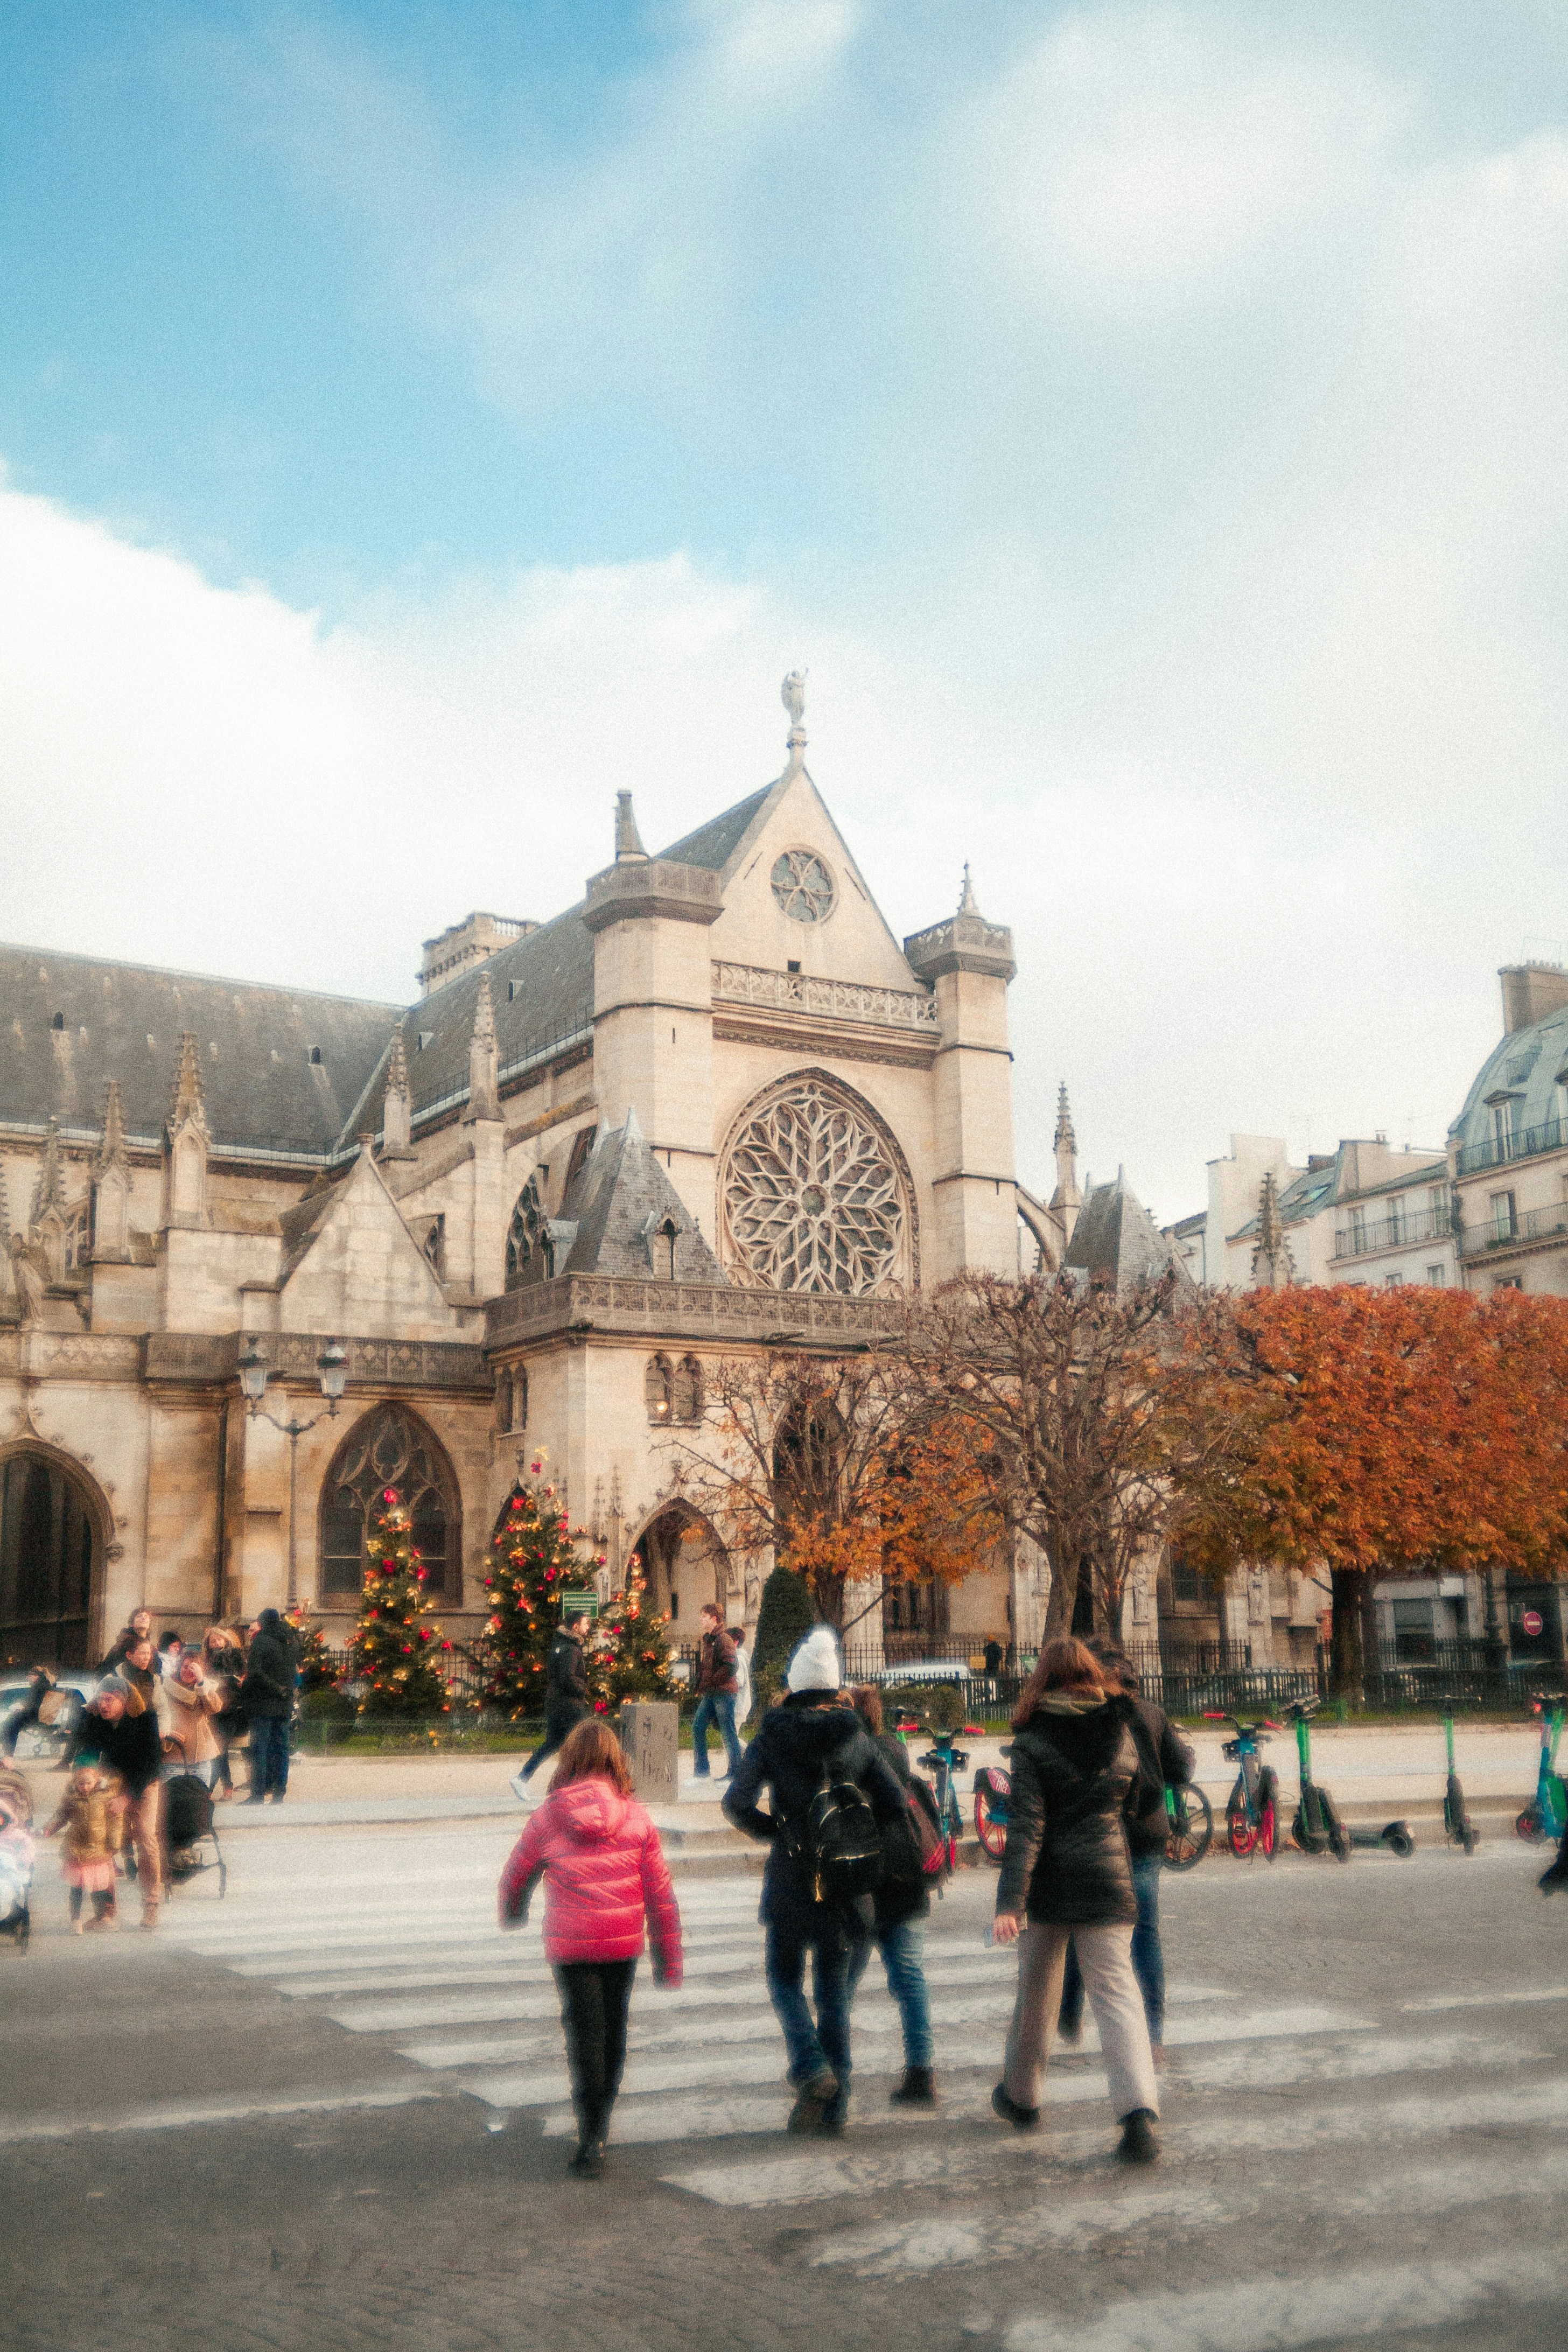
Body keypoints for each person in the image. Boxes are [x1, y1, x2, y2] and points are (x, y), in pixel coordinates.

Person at [724, 1625, 906, 2136]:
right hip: (846, 1882)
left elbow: (736, 1803)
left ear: (795, 1684)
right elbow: (894, 1805)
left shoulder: (772, 1737)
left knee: (783, 1981)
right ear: (835, 1686)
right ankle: (836, 2108)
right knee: (833, 1996)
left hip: (791, 1878)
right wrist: (858, 1835)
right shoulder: (858, 1738)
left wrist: (776, 1831)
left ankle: (811, 2065)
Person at [991, 1637, 1160, 2165]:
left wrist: (1009, 1903)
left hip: (1048, 1884)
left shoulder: (1032, 1739)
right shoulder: (1121, 1725)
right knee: (1117, 1998)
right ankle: (1137, 2117)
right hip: (1110, 1877)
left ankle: (1021, 2098)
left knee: (1036, 1994)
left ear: (1041, 1679)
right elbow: (1143, 1798)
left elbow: (1026, 1828)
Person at [499, 1719, 683, 2178]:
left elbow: (518, 1872)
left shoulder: (548, 1816)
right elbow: (661, 1895)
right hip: (622, 1943)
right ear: (615, 1761)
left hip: (572, 1944)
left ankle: (590, 2137)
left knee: (584, 2036)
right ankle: (601, 2125)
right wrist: (668, 1959)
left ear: (570, 1760)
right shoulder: (636, 1816)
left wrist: (514, 1910)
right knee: (614, 2030)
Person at [1058, 1641, 1193, 2064]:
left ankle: (1069, 2012)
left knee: (1086, 1922)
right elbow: (1180, 1770)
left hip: (1103, 1833)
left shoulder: (1089, 1715)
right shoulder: (1151, 1713)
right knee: (1145, 1936)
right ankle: (1153, 2037)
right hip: (1148, 1834)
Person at [848, 1684, 939, 2105]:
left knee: (841, 1983)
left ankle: (830, 2067)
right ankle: (921, 2071)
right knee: (910, 1979)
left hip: (864, 1879)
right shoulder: (896, 1751)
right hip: (906, 1875)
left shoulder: (851, 1756)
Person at [72, 1675, 164, 1927]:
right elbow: (87, 1752)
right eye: (101, 1699)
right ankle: (105, 1911)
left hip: (144, 1783)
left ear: (123, 1701)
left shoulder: (146, 1719)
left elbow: (152, 1763)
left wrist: (127, 1797)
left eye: (110, 1699)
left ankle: (151, 1905)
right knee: (101, 1843)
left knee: (146, 1838)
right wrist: (82, 1777)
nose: (104, 1704)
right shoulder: (95, 1719)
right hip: (112, 1782)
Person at [44, 1765, 123, 1931]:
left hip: (99, 1850)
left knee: (99, 1887)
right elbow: (61, 1816)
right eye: (81, 1784)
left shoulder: (106, 1797)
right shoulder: (71, 1799)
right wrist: (49, 1829)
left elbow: (116, 1821)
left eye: (88, 1783)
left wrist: (115, 1843)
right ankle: (76, 1920)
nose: (85, 1787)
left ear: (97, 1782)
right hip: (77, 1850)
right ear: (75, 1784)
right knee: (77, 1887)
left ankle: (103, 1918)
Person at [520, 1610, 593, 1783]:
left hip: (557, 1703)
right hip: (570, 1706)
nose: (588, 1626)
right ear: (575, 1627)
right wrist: (583, 1688)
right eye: (585, 1623)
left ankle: (523, 1777)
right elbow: (566, 1676)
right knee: (581, 1743)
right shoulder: (571, 1648)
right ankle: (573, 1784)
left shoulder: (560, 1644)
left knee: (553, 1744)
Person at [240, 1608, 296, 1803]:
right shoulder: (290, 1641)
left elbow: (255, 1673)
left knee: (260, 1749)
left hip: (263, 1702)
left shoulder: (261, 1640)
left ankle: (258, 1794)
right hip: (284, 1704)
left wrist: (274, 1688)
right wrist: (283, 1690)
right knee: (281, 1748)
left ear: (262, 1622)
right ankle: (279, 1793)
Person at [691, 1602, 743, 1779]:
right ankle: (702, 1772)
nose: (701, 1620)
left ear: (714, 1619)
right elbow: (707, 1667)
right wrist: (701, 1685)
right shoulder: (710, 1640)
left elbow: (731, 1666)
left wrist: (713, 1681)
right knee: (698, 1727)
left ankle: (736, 1774)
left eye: (704, 1617)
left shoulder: (723, 1639)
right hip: (713, 1693)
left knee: (728, 1733)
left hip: (724, 1694)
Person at [163, 1653, 224, 1789]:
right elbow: (158, 1715)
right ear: (179, 1667)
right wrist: (166, 1730)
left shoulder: (204, 1687)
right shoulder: (166, 1686)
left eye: (194, 1669)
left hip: (201, 1756)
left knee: (200, 1799)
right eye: (185, 1667)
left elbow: (215, 1708)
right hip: (174, 1754)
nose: (188, 1672)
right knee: (170, 1802)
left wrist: (201, 1682)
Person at [201, 1627, 244, 1799]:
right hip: (213, 1710)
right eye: (213, 1641)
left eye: (220, 1639)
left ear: (226, 1640)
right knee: (219, 1750)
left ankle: (210, 1789)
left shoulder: (236, 1655)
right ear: (209, 1645)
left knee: (219, 1749)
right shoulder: (207, 1660)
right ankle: (227, 1786)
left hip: (230, 1709)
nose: (217, 1643)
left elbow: (242, 1675)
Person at [2, 1663, 58, 1759]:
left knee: (10, 1724)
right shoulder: (47, 1684)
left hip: (35, 1717)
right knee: (9, 1723)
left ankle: (8, 1755)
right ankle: (8, 1754)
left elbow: (34, 1705)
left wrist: (22, 1710)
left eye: (29, 1675)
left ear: (36, 1676)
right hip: (40, 1715)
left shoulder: (39, 1686)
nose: (27, 1678)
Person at [97, 1606, 154, 1672]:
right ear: (131, 1624)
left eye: (147, 1616)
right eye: (139, 1616)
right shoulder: (124, 1643)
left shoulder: (150, 1646)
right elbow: (108, 1666)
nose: (144, 1618)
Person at [730, 1623, 754, 1734]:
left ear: (735, 1643)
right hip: (738, 1704)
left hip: (739, 1703)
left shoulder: (738, 1658)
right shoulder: (738, 1657)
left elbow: (739, 1681)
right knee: (730, 1737)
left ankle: (749, 1751)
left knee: (731, 1737)